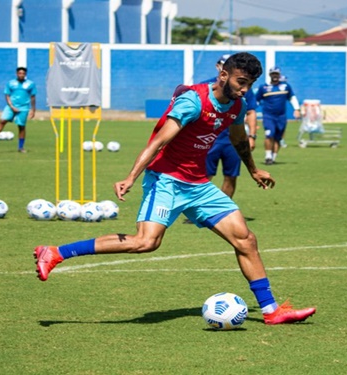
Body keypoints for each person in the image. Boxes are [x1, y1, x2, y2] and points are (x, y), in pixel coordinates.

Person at [33, 52, 316, 325]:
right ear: (224, 74)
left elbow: (239, 138)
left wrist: (254, 169)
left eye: (249, 85)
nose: (245, 90)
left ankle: (271, 311)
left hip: (198, 184)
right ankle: (56, 252)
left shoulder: (237, 107)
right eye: (241, 82)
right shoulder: (193, 102)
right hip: (166, 180)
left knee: (246, 240)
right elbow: (158, 141)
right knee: (145, 242)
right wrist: (131, 177)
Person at [203, 54, 258, 198]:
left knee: (231, 176)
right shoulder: (204, 87)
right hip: (209, 140)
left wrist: (252, 136)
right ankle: (198, 212)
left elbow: (251, 112)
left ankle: (220, 211)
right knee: (203, 177)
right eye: (223, 64)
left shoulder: (244, 88)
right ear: (219, 68)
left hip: (232, 141)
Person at [0, 67, 36, 153]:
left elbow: (33, 97)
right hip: (11, 106)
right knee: (2, 121)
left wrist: (33, 109)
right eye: (20, 73)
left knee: (21, 127)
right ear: (17, 74)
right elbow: (7, 95)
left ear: (25, 74)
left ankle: (20, 147)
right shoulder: (11, 83)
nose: (21, 75)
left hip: (24, 108)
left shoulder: (30, 84)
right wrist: (11, 106)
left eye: (23, 73)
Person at [255, 67, 300, 165]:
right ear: (270, 75)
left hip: (281, 116)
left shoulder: (285, 86)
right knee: (269, 134)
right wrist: (250, 111)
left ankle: (273, 157)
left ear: (279, 75)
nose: (275, 76)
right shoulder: (264, 87)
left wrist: (296, 109)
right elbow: (256, 100)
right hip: (268, 116)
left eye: (276, 74)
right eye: (273, 74)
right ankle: (268, 156)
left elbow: (292, 97)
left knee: (278, 138)